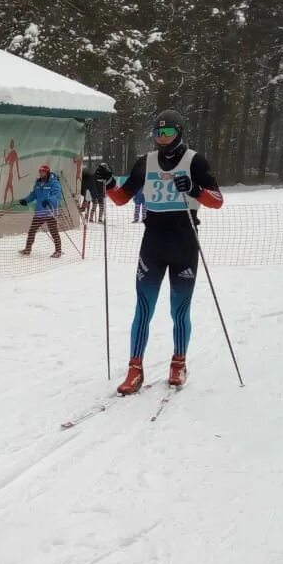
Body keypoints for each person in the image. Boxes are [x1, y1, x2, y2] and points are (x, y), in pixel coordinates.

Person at [95, 109, 223, 393]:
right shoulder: (146, 163)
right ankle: (134, 369)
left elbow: (217, 201)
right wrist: (110, 183)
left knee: (179, 309)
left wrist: (194, 189)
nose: (162, 139)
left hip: (184, 242)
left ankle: (179, 363)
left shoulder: (195, 161)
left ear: (179, 133)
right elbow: (121, 198)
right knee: (143, 307)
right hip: (153, 242)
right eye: (157, 133)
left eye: (168, 133)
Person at [17, 164, 63, 257]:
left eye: (43, 172)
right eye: (40, 172)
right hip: (39, 212)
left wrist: (49, 201)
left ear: (47, 172)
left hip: (50, 212)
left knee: (53, 231)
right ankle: (27, 249)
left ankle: (58, 251)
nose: (41, 174)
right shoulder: (38, 183)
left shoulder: (54, 183)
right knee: (32, 231)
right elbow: (33, 194)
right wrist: (25, 200)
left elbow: (57, 195)